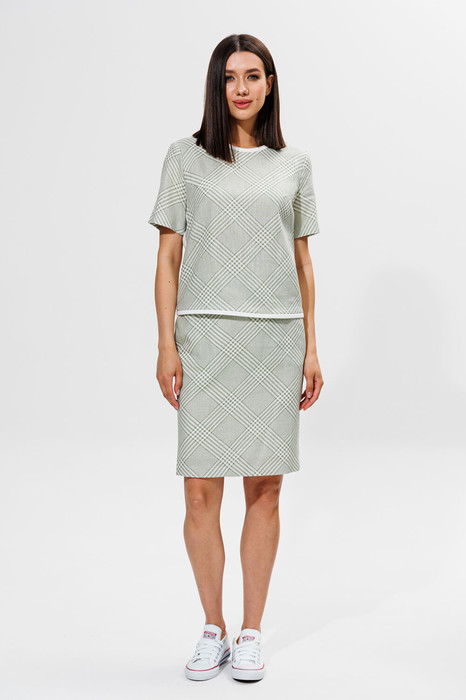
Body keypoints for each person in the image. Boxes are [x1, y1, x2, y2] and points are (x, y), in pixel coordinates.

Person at [147, 33, 324, 683]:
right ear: (216, 87)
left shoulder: (294, 164)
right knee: (200, 491)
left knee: (265, 488)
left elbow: (302, 262)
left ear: (270, 84)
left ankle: (250, 632)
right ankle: (212, 628)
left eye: (253, 75)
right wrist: (166, 344)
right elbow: (168, 258)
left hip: (274, 340)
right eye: (230, 77)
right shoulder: (185, 158)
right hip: (205, 338)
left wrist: (311, 347)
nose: (241, 87)